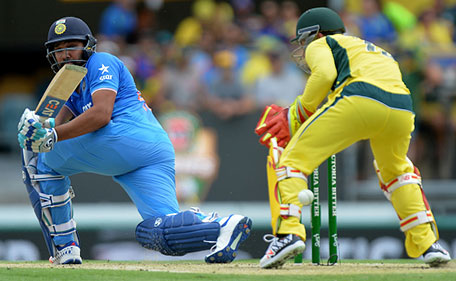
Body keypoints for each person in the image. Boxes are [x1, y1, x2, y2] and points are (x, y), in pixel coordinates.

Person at [17, 16, 251, 265]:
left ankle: (65, 247)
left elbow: (101, 115)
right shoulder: (68, 85)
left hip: (124, 136)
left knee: (41, 161)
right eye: (57, 49)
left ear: (87, 45)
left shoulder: (101, 61)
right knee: (160, 233)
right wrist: (38, 129)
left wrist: (48, 136)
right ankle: (223, 226)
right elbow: (53, 124)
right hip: (152, 151)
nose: (64, 54)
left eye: (70, 46)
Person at [254, 7, 451, 268]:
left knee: (292, 160)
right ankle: (429, 244)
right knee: (397, 173)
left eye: (304, 40)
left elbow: (324, 75)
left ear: (317, 33)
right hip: (402, 109)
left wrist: (297, 113)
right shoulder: (373, 48)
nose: (304, 48)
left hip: (360, 98)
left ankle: (288, 233)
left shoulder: (323, 43)